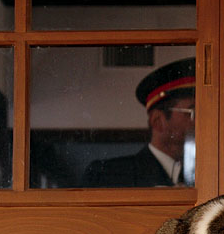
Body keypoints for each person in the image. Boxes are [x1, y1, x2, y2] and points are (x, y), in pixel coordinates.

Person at [82, 57, 195, 187]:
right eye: (192, 112)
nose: (200, 122)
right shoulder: (107, 175)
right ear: (157, 121)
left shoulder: (202, 175)